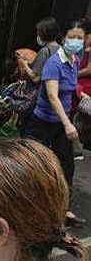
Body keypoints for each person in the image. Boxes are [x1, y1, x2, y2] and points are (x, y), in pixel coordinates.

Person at [24, 20, 87, 227]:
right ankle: (24, 208)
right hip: (43, 122)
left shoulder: (74, 61)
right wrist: (68, 124)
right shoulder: (54, 62)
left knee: (67, 165)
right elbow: (52, 96)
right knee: (34, 165)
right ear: (64, 38)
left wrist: (81, 96)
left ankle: (63, 210)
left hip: (61, 123)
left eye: (80, 38)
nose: (76, 41)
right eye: (72, 37)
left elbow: (69, 89)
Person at [18, 17, 60, 85]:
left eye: (39, 33)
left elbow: (35, 78)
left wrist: (24, 64)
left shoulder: (45, 51)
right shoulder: (61, 50)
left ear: (44, 34)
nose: (38, 36)